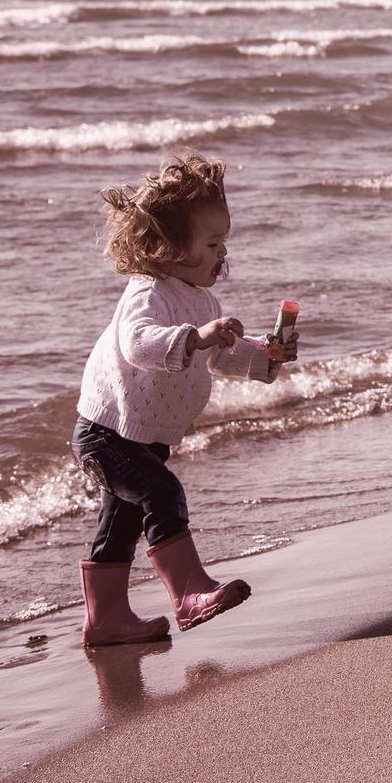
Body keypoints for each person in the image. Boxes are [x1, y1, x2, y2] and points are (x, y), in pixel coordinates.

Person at [70, 151, 295, 648]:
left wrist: (264, 354)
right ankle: (190, 593)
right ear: (169, 247)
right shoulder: (147, 293)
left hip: (144, 436)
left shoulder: (201, 299)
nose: (223, 254)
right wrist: (195, 336)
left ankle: (105, 620)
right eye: (213, 243)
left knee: (120, 522)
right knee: (162, 495)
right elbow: (140, 344)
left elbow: (220, 356)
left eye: (224, 242)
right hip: (106, 434)